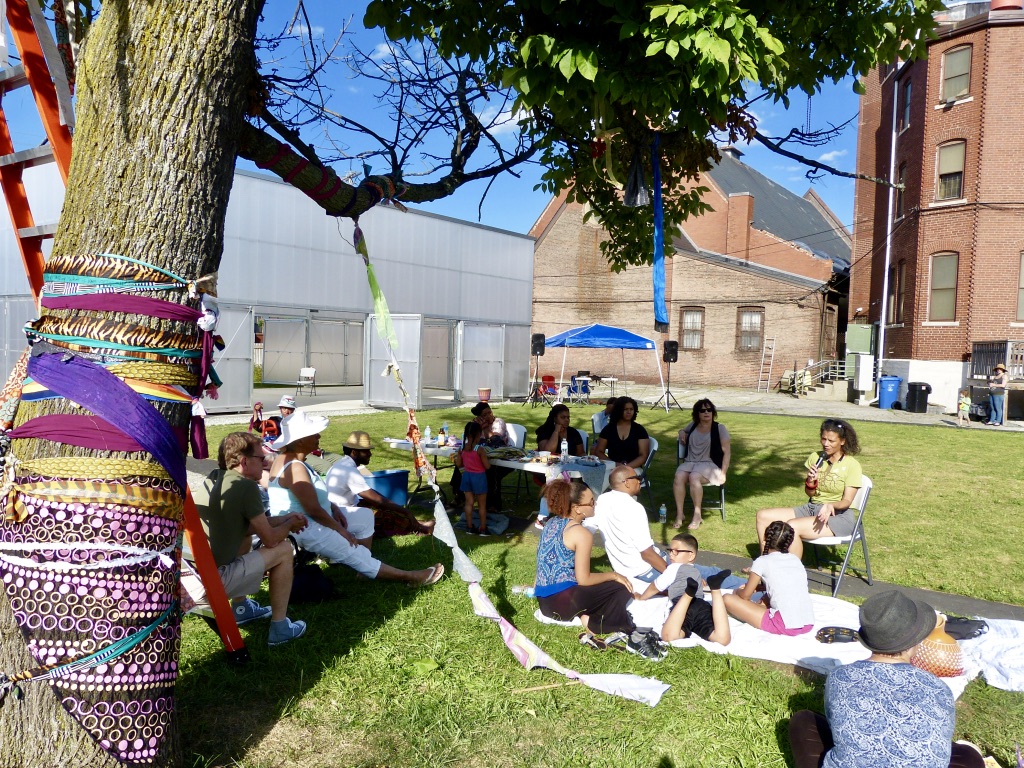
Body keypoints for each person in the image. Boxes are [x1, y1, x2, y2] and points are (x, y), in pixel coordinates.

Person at [788, 590, 985, 768]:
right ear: (915, 640)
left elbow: (838, 728)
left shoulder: (839, 677)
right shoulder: (939, 687)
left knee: (803, 720)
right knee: (967, 755)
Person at [267, 410, 444, 587]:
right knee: (352, 548)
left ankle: (365, 568)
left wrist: (335, 509)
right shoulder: (294, 467)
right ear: (300, 440)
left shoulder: (296, 461)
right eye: (314, 434)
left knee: (365, 516)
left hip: (315, 518)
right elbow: (313, 509)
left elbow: (313, 499)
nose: (319, 436)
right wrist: (341, 531)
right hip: (304, 527)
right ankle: (411, 577)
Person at [194, 431, 309, 646]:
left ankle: (241, 607)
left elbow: (245, 527)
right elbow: (271, 540)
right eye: (261, 458)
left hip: (191, 576)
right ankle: (280, 627)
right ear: (245, 462)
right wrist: (290, 525)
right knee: (284, 549)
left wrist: (284, 519)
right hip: (208, 584)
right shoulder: (245, 487)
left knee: (246, 536)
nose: (265, 463)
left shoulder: (217, 477)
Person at [535, 477, 665, 660]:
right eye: (591, 502)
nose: (595, 505)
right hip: (563, 603)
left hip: (545, 601)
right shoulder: (581, 533)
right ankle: (611, 626)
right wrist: (613, 575)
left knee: (605, 589)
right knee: (620, 587)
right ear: (577, 508)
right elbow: (584, 579)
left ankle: (589, 618)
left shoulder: (551, 524)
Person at [755, 418, 863, 560]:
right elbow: (810, 493)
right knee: (762, 516)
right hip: (812, 508)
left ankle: (793, 574)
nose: (825, 444)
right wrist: (811, 481)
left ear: (842, 441)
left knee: (793, 526)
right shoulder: (816, 457)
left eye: (831, 441)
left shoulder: (852, 465)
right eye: (823, 439)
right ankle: (765, 564)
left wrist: (830, 505)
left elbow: (847, 501)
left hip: (838, 516)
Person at [324, 430, 435, 538]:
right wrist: (406, 511)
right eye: (366, 451)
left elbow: (372, 494)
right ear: (354, 452)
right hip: (342, 514)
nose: (370, 454)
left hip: (343, 508)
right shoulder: (349, 470)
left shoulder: (343, 464)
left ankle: (419, 524)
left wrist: (393, 506)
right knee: (387, 517)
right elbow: (377, 500)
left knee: (386, 509)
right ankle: (422, 528)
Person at [636, 533, 732, 646]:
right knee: (722, 639)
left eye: (676, 551)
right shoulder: (695, 571)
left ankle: (687, 594)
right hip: (700, 604)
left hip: (682, 605)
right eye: (670, 550)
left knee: (669, 637)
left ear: (691, 556)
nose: (671, 554)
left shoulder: (673, 567)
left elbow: (655, 586)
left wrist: (641, 597)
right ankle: (715, 589)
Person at [584, 465, 667, 591]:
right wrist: (671, 575)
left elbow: (586, 530)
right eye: (637, 477)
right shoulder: (635, 508)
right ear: (626, 482)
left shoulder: (602, 500)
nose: (640, 480)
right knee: (699, 574)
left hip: (623, 571)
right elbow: (647, 554)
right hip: (646, 571)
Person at [724, 521, 814, 636]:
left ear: (765, 540)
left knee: (727, 598)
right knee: (763, 600)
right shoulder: (795, 560)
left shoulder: (762, 561)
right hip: (807, 622)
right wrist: (762, 587)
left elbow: (745, 596)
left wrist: (737, 591)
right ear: (789, 543)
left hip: (785, 625)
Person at [673, 398, 730, 530]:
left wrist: (723, 473)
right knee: (679, 476)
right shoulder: (693, 425)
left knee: (694, 477)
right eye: (702, 410)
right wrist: (681, 432)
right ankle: (680, 514)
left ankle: (697, 515)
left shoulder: (719, 428)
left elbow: (727, 452)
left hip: (710, 465)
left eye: (709, 410)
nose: (706, 412)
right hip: (691, 462)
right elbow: (682, 430)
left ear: (713, 412)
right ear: (697, 413)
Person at [451, 401, 512, 512]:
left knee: (491, 471)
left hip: (503, 459)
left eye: (490, 412)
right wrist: (475, 429)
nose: (489, 416)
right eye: (485, 415)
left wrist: (485, 429)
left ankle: (493, 504)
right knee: (462, 464)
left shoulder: (498, 423)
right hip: (483, 457)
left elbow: (496, 442)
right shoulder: (476, 426)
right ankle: (459, 495)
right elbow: (469, 444)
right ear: (479, 417)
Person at [453, 421, 491, 535]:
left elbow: (459, 464)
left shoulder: (461, 448)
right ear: (479, 435)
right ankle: (483, 528)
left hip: (467, 476)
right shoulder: (479, 449)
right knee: (482, 505)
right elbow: (487, 466)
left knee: (469, 503)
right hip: (479, 477)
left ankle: (469, 526)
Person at [594, 396, 650, 470]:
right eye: (625, 409)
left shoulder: (639, 430)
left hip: (633, 468)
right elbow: (599, 451)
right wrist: (614, 464)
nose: (629, 412)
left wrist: (626, 468)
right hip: (612, 467)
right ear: (619, 410)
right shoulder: (609, 429)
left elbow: (643, 456)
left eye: (631, 409)